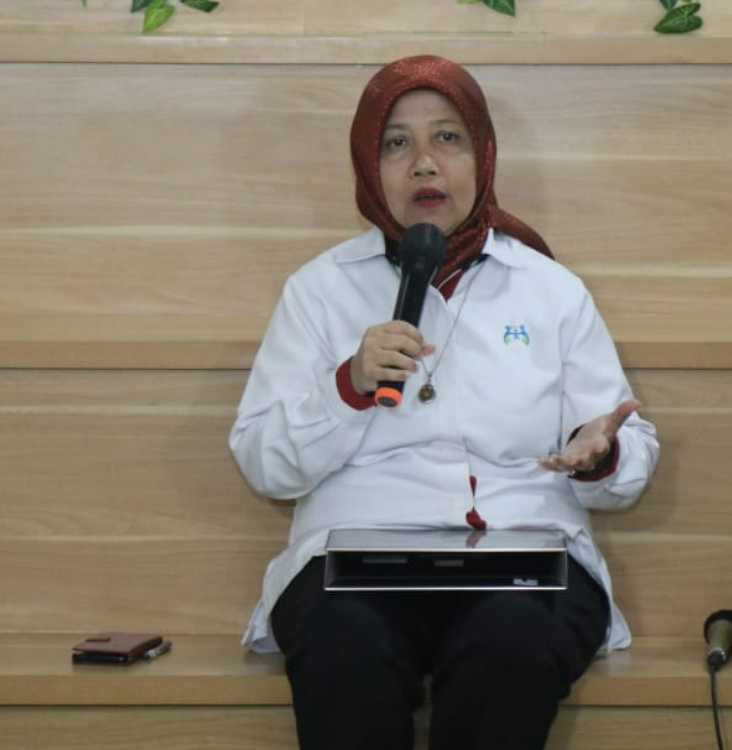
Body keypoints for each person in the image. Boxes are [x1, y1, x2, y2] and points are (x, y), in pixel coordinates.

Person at [228, 55, 658, 750]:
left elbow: (629, 448)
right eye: (397, 143)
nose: (424, 163)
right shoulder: (319, 290)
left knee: (510, 650)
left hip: (523, 551)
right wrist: (348, 387)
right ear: (369, 167)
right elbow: (263, 464)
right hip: (356, 557)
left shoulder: (550, 289)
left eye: (447, 137)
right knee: (346, 652)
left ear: (482, 155)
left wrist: (600, 456)